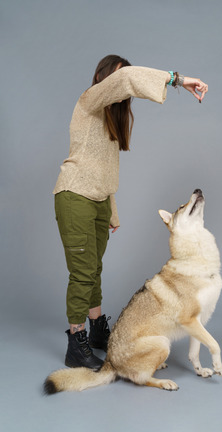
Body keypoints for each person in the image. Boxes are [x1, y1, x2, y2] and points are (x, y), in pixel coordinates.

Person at [53, 54, 208, 370]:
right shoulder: (90, 99)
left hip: (97, 202)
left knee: (93, 269)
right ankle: (75, 341)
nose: (122, 86)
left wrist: (112, 211)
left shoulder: (108, 120)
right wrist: (177, 79)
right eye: (117, 78)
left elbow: (105, 170)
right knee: (82, 272)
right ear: (103, 77)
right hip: (75, 196)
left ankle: (97, 331)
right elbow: (124, 80)